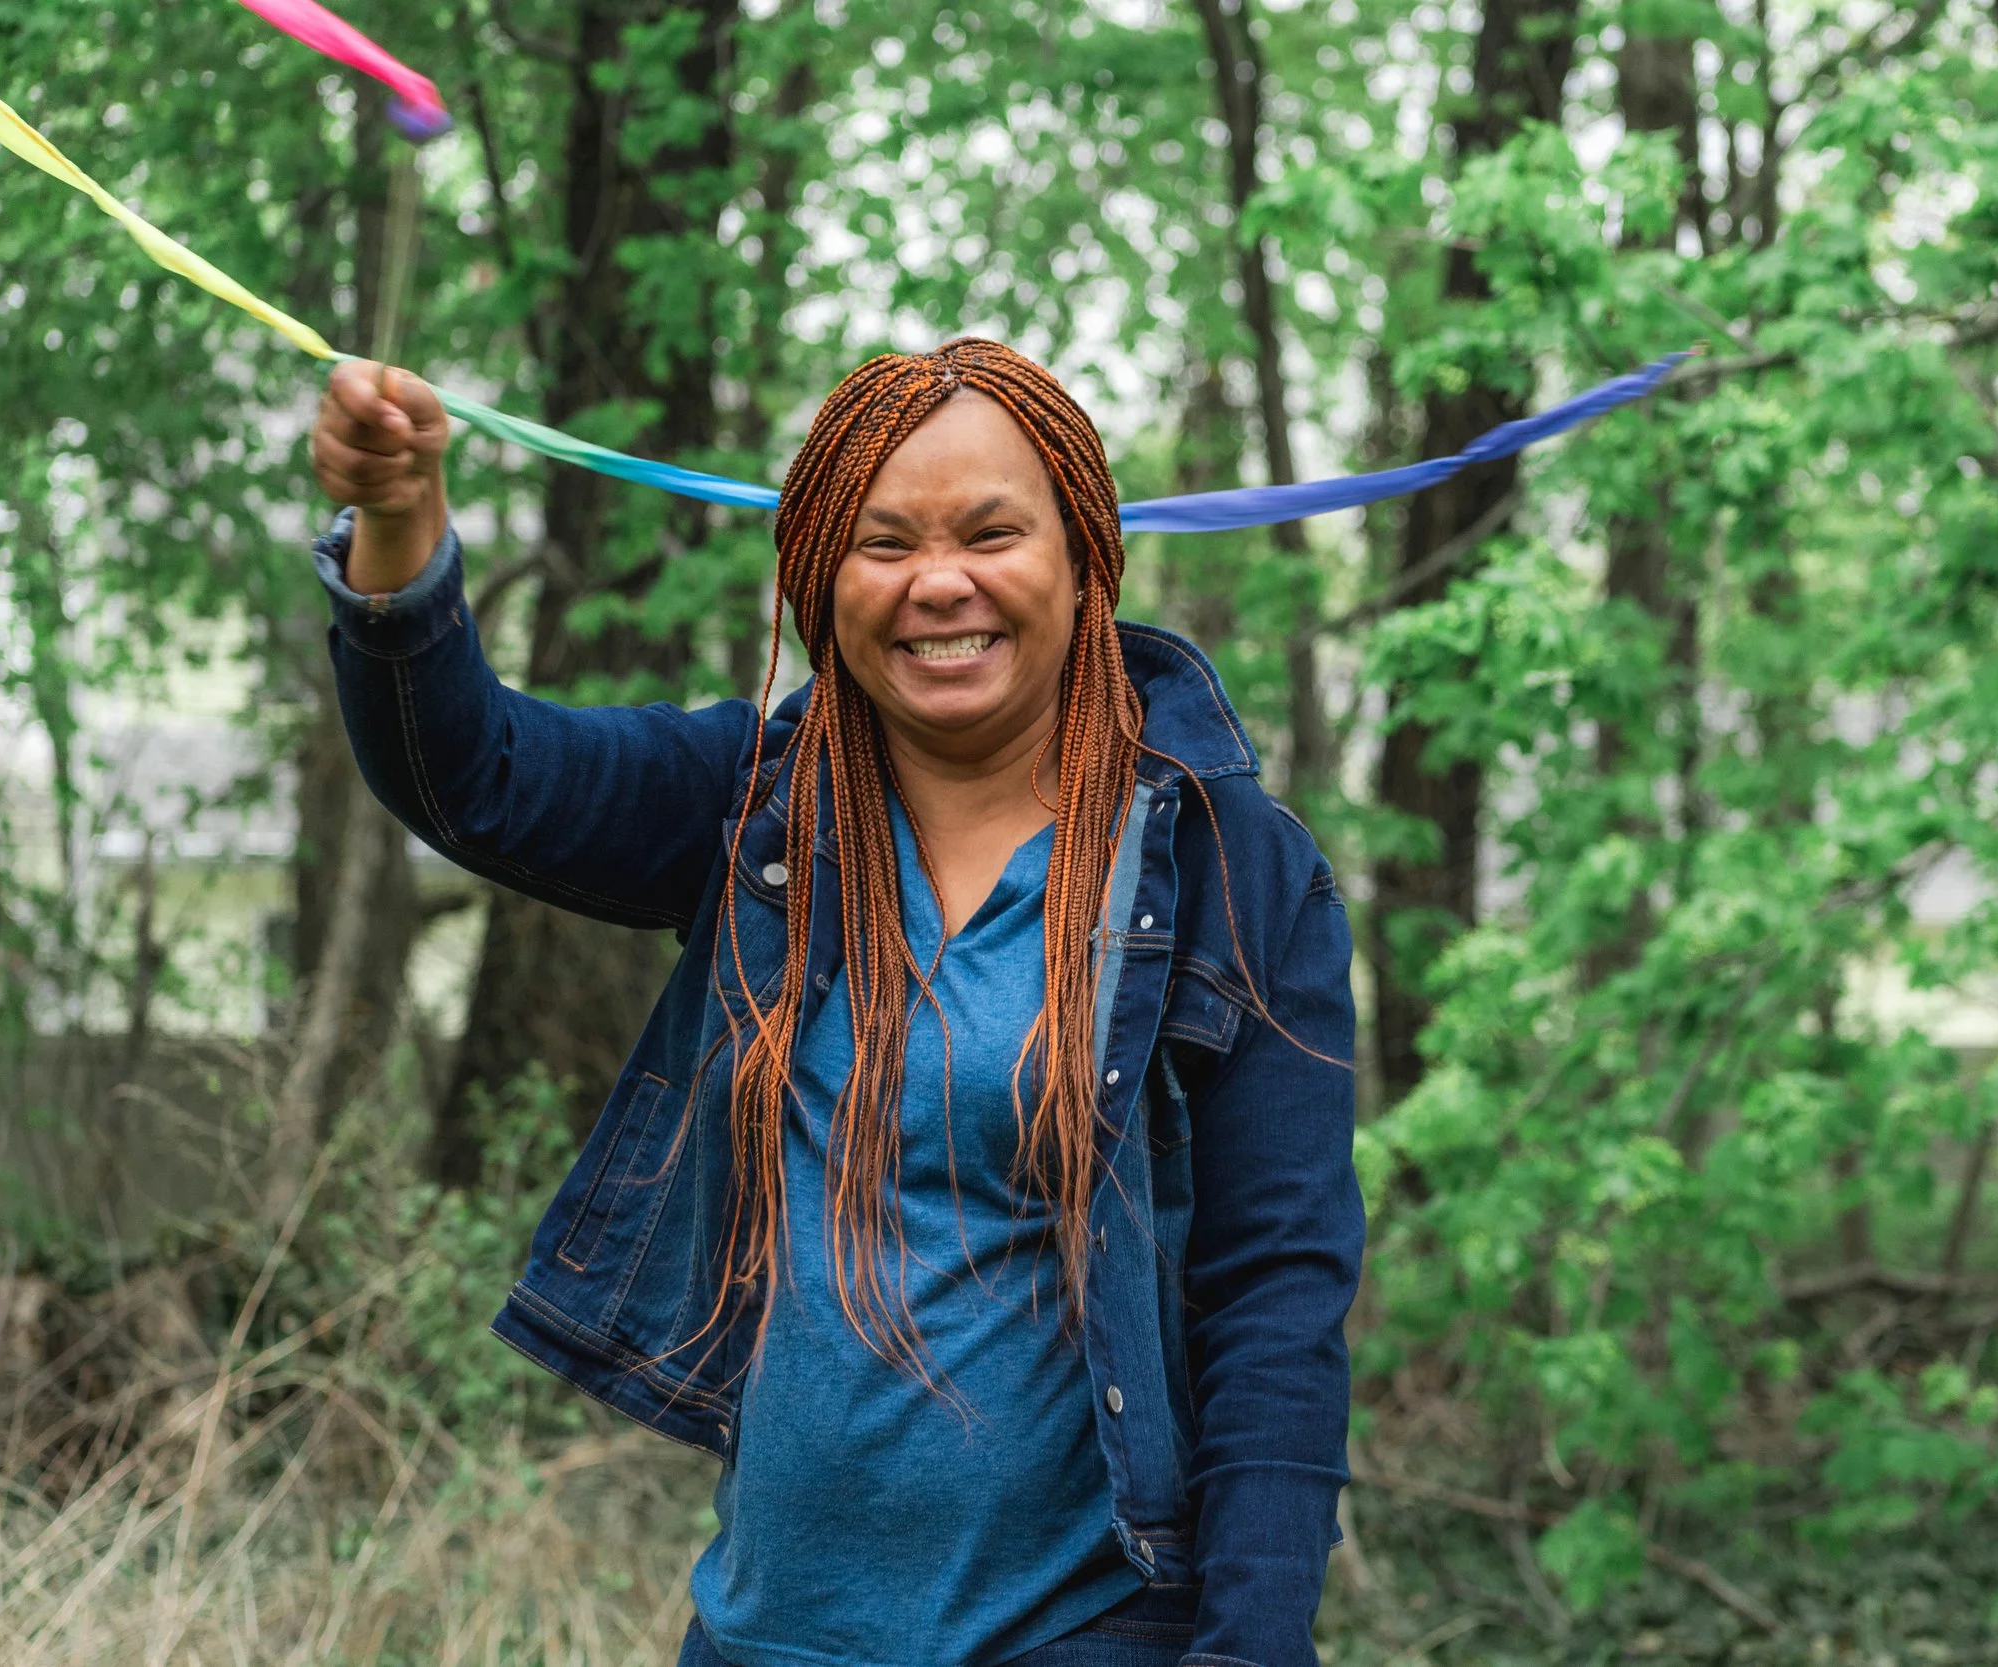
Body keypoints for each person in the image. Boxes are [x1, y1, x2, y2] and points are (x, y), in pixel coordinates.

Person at [306, 340, 1363, 1667]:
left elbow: (1278, 1304)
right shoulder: (753, 810)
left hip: (1086, 1632)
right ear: (819, 583)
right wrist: (399, 531)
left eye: (993, 533)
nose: (940, 583)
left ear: (1087, 560)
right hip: (762, 1638)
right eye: (883, 543)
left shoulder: (1231, 869)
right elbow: (478, 775)